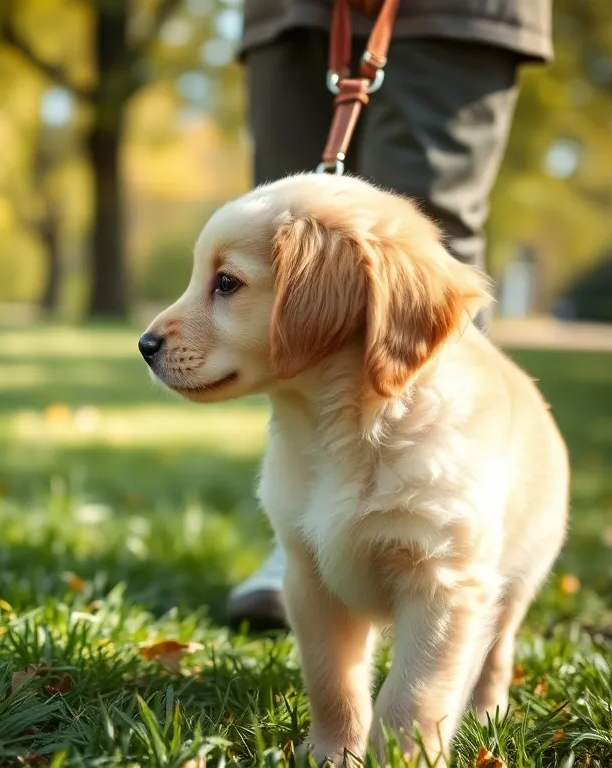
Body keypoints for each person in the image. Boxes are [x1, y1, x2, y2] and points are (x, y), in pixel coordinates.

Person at [226, 0, 553, 628]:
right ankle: (307, 536)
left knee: (425, 237)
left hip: (453, 15)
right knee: (275, 229)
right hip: (291, 13)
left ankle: (445, 537)